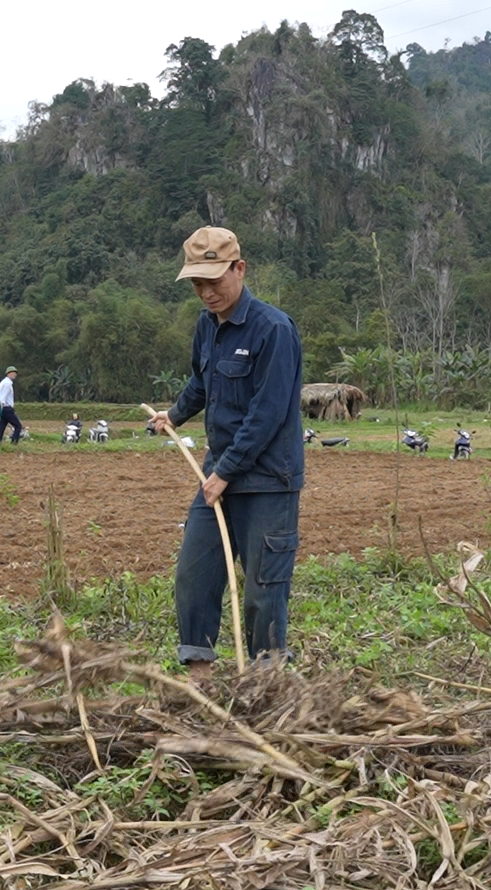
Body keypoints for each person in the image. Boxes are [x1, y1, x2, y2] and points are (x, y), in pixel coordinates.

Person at [148, 226, 304, 682]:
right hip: (219, 474)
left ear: (239, 269)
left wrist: (226, 471)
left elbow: (268, 412)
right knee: (195, 576)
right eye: (197, 283)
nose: (206, 292)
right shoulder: (206, 327)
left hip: (267, 480)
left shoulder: (274, 329)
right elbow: (203, 381)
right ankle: (200, 677)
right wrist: (174, 415)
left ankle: (265, 681)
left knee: (262, 589)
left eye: (214, 280)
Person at [0, 366, 24, 446]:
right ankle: (14, 444)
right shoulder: (7, 384)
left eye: (15, 373)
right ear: (8, 374)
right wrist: (0, 408)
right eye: (13, 373)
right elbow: (3, 398)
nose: (14, 374)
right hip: (7, 409)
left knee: (1, 428)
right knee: (18, 426)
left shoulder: (3, 382)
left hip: (3, 409)